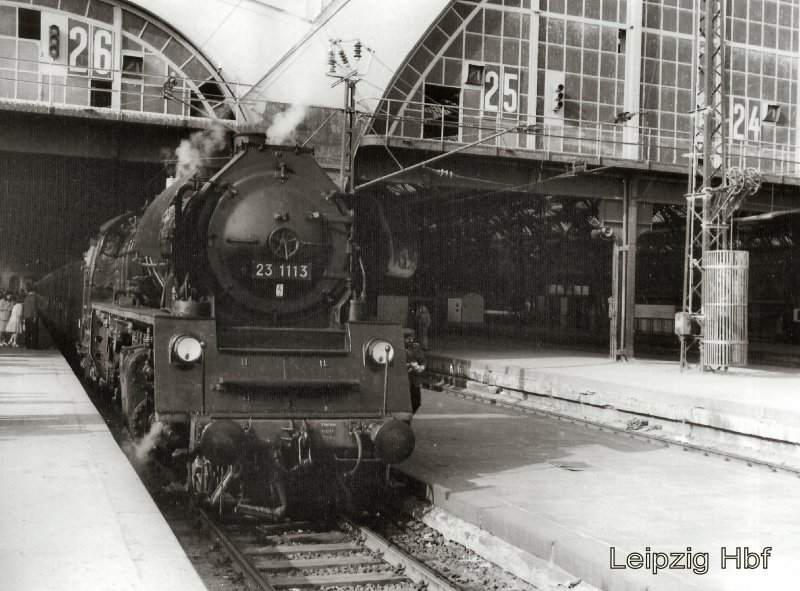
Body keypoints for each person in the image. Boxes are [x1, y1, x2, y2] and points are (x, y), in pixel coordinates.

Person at [405, 330, 426, 414]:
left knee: (417, 402)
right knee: (406, 403)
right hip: (406, 381)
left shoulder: (416, 347)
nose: (410, 340)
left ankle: (409, 415)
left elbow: (423, 360)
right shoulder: (398, 348)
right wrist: (409, 365)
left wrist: (422, 367)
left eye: (412, 338)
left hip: (415, 380)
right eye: (408, 339)